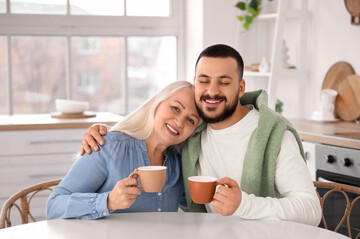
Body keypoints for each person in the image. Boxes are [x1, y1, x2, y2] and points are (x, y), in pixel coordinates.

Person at [80, 44, 322, 226]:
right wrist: (104, 131)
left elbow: (311, 210)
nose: (212, 91)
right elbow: (156, 126)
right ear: (195, 84)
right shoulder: (191, 131)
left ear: (241, 88)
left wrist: (244, 204)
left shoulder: (273, 136)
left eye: (224, 82)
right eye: (204, 81)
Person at [46, 81, 201, 220]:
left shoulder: (179, 164)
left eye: (190, 120)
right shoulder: (108, 146)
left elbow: (195, 208)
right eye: (175, 108)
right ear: (157, 103)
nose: (180, 122)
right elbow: (54, 206)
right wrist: (108, 201)